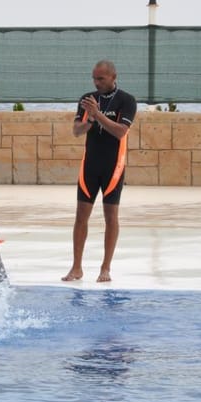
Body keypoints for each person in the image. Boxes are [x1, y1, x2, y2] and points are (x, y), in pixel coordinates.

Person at [62, 59, 137, 284]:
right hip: (90, 164)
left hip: (113, 166)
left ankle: (105, 268)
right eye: (94, 78)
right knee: (80, 216)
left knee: (110, 217)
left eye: (101, 79)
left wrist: (98, 115)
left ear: (113, 77)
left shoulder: (127, 100)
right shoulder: (87, 100)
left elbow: (120, 132)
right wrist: (89, 121)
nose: (96, 83)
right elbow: (77, 130)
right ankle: (76, 268)